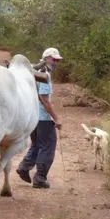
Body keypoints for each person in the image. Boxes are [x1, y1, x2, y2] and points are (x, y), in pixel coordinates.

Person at [16, 47, 63, 189]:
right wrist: (56, 118)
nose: (56, 62)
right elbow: (44, 98)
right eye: (54, 59)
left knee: (37, 144)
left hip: (32, 115)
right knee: (48, 145)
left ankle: (25, 167)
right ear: (46, 59)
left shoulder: (34, 72)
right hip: (43, 117)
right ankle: (40, 178)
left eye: (57, 60)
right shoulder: (44, 75)